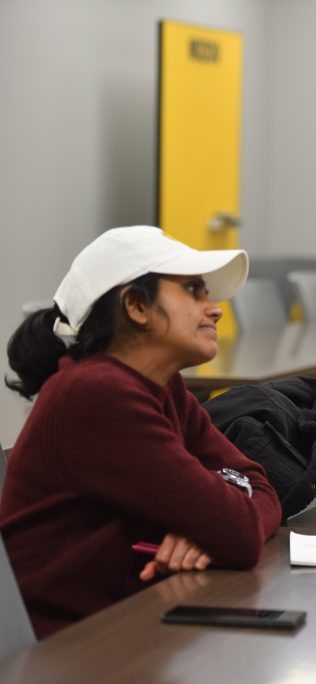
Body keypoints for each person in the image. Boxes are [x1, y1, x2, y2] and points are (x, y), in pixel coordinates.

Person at [0, 226, 282, 639]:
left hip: (127, 622)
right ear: (136, 306)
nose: (216, 308)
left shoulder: (163, 386)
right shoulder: (98, 395)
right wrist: (221, 520)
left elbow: (261, 488)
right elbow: (240, 531)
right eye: (193, 291)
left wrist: (214, 523)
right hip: (65, 650)